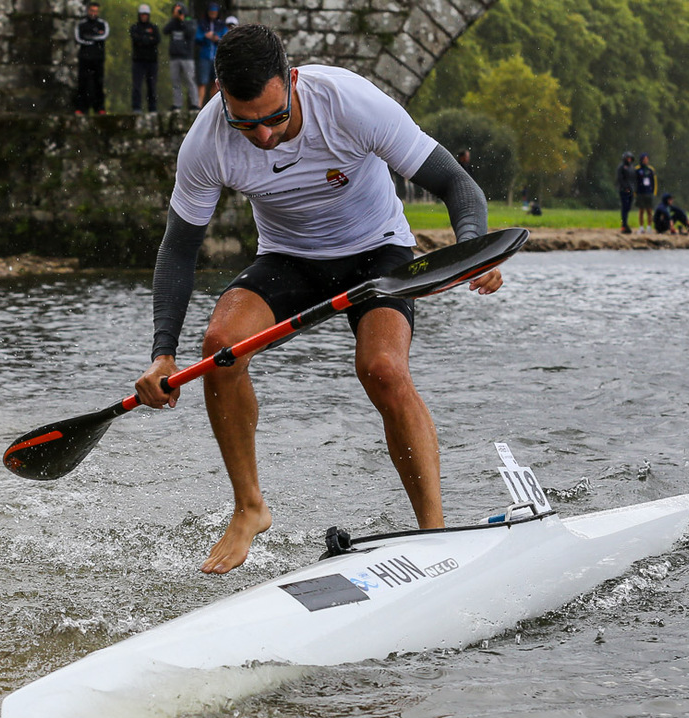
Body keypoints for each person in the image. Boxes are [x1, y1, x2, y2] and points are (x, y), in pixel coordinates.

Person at [134, 24, 499, 575]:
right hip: (290, 257)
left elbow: (458, 184)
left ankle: (434, 535)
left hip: (379, 251)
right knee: (220, 346)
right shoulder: (207, 141)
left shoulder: (349, 103)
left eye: (274, 118)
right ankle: (250, 506)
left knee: (381, 369)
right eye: (244, 121)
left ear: (293, 80)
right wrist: (163, 352)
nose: (260, 136)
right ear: (220, 98)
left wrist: (474, 251)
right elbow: (179, 250)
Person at [74, 2, 110, 115]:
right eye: (91, 11)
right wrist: (92, 40)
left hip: (98, 58)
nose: (93, 13)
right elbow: (78, 38)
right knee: (82, 83)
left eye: (95, 11)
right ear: (88, 11)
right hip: (84, 58)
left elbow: (104, 36)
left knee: (98, 83)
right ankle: (81, 108)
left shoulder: (103, 24)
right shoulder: (81, 24)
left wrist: (90, 38)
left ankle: (99, 108)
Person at [164, 4, 199, 110]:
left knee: (190, 80)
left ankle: (194, 103)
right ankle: (177, 104)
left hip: (187, 57)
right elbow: (165, 31)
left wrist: (182, 20)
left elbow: (190, 33)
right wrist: (174, 19)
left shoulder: (190, 22)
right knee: (176, 81)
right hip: (175, 57)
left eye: (179, 11)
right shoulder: (173, 23)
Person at [130, 4, 161, 113]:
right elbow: (136, 39)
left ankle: (152, 108)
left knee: (152, 86)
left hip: (152, 61)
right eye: (142, 14)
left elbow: (156, 40)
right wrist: (147, 39)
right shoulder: (135, 27)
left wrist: (143, 39)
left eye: (145, 15)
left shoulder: (153, 27)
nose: (144, 17)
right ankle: (136, 107)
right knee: (137, 85)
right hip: (138, 61)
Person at [195, 3, 227, 106]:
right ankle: (199, 105)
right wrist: (206, 36)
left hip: (217, 57)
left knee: (216, 82)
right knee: (202, 81)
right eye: (211, 12)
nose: (212, 14)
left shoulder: (221, 25)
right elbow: (197, 38)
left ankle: (212, 105)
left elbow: (226, 38)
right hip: (204, 56)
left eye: (214, 12)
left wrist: (217, 38)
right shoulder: (202, 24)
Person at [635, 153, 657, 233]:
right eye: (644, 159)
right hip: (640, 193)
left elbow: (654, 182)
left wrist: (654, 192)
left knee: (649, 211)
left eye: (647, 159)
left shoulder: (651, 170)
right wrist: (635, 192)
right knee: (641, 211)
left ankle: (649, 227)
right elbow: (635, 182)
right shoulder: (637, 170)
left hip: (649, 193)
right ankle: (641, 227)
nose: (646, 161)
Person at [616, 151, 634, 234]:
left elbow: (633, 179)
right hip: (624, 190)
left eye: (630, 158)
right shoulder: (621, 167)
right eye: (628, 158)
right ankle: (624, 225)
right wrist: (625, 187)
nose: (629, 159)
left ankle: (625, 223)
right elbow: (620, 178)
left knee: (628, 207)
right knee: (624, 207)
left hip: (631, 190)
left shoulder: (631, 167)